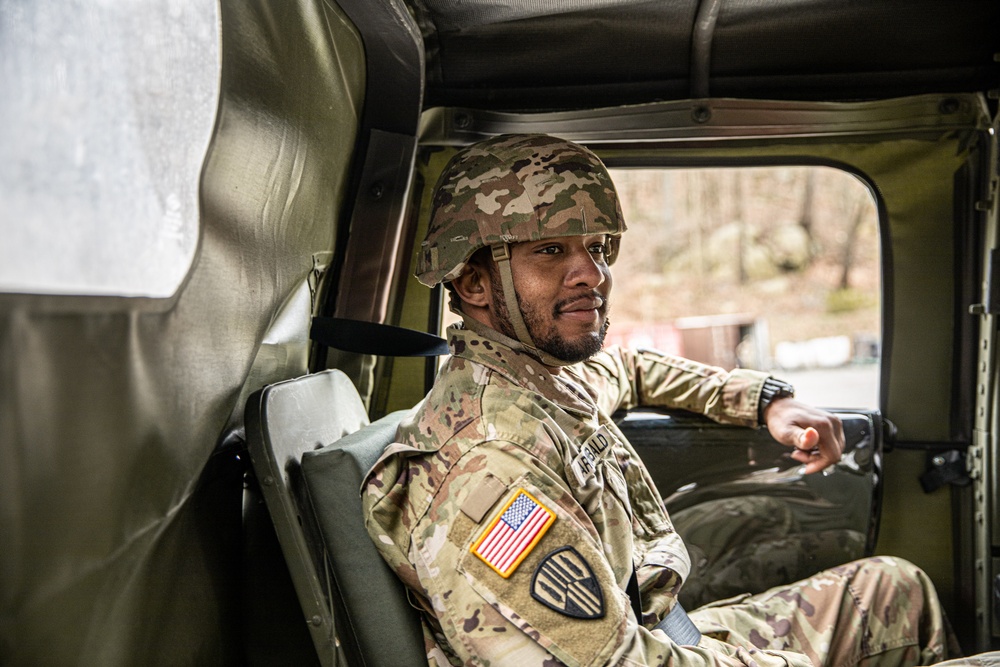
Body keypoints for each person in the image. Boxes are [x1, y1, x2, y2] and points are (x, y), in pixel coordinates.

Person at [362, 134, 957, 667]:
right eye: (550, 251)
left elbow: (628, 368)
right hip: (643, 653)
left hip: (663, 635)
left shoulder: (537, 383)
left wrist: (761, 401)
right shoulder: (492, 467)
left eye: (596, 247)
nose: (590, 274)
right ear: (473, 283)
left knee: (898, 589)